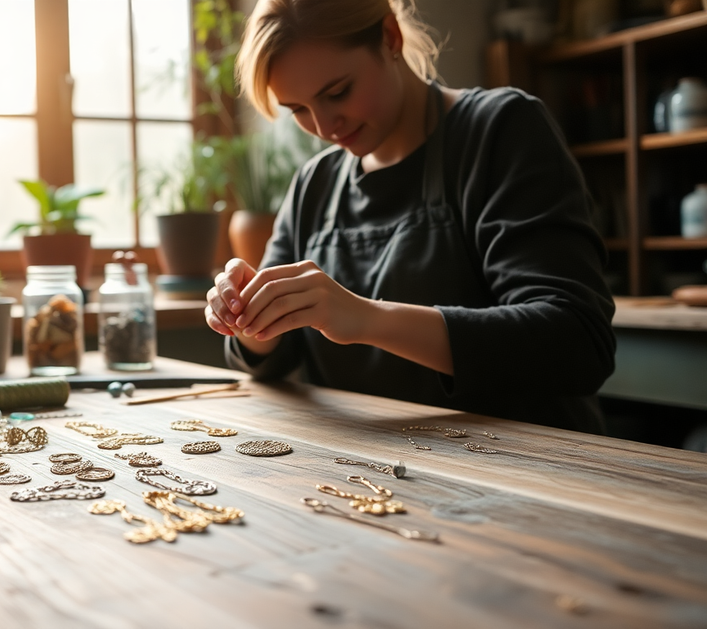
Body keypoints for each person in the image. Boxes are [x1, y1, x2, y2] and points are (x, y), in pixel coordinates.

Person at [207, 0, 616, 433]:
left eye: (337, 92)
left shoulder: (499, 130)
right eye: (299, 110)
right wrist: (249, 318)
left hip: (529, 469)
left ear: (390, 37)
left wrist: (365, 319)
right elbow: (269, 361)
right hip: (371, 478)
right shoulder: (314, 184)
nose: (325, 126)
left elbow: (576, 344)